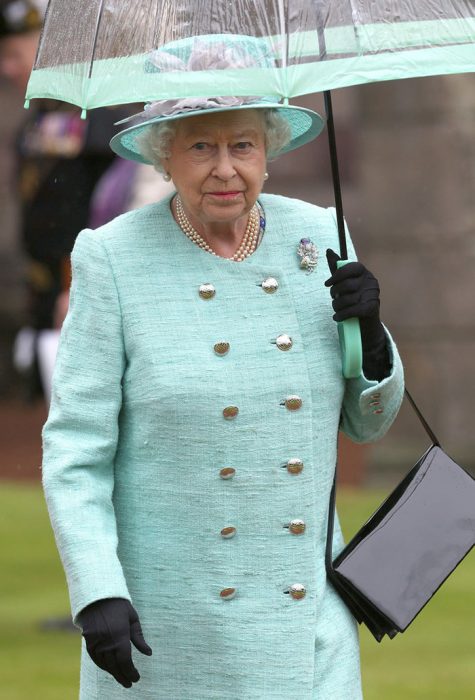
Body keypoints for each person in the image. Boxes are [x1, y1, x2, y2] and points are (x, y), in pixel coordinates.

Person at [42, 38, 404, 700]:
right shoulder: (112, 257)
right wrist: (98, 591)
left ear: (267, 154)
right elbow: (75, 451)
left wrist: (373, 336)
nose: (225, 168)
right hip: (167, 625)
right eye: (200, 147)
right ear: (165, 156)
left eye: (242, 145)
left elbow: (366, 423)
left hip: (304, 623)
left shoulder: (320, 236)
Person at [0, 0, 127, 401]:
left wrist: (76, 283)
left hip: (87, 294)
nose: (6, 68)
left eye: (13, 55)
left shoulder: (101, 118)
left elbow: (112, 209)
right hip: (43, 294)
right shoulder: (32, 124)